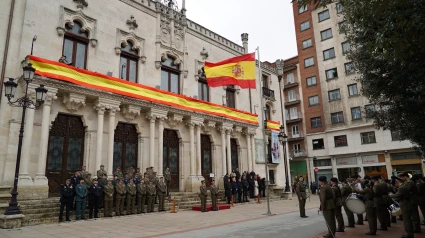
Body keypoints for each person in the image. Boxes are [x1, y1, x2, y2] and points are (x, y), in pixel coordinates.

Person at [390, 173, 415, 237]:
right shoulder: (405, 184)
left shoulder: (405, 185)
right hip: (407, 202)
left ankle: (409, 234)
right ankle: (410, 232)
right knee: (408, 219)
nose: (401, 178)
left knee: (407, 219)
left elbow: (399, 194)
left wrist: (390, 196)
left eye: (402, 177)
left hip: (406, 203)